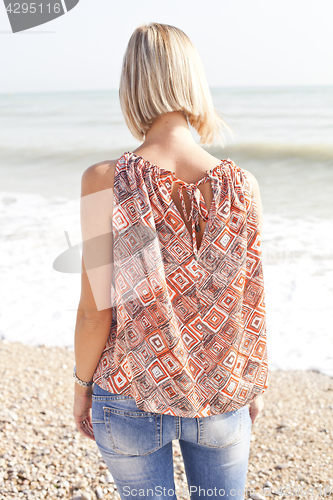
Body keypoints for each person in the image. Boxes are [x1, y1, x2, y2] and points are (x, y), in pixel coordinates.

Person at [73, 22, 268, 500]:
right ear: (193, 82)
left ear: (131, 87)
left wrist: (81, 385)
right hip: (220, 391)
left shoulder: (104, 179)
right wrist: (253, 382)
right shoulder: (243, 185)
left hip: (128, 392)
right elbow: (251, 301)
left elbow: (95, 310)